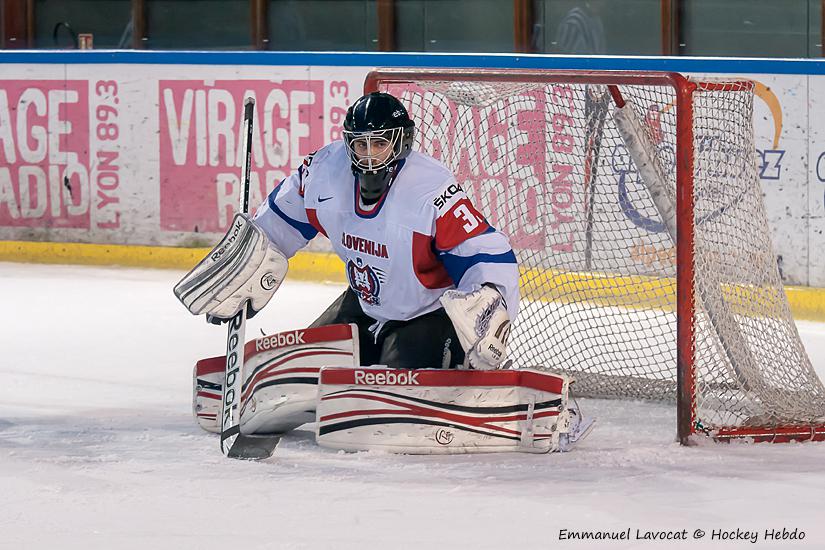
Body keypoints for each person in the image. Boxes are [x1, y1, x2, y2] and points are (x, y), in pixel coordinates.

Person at [178, 92, 520, 371]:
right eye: (361, 145)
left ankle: (436, 363)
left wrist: (490, 310)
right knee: (297, 370)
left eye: (379, 144)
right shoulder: (324, 172)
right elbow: (276, 226)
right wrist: (244, 269)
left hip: (424, 314)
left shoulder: (430, 189)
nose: (369, 155)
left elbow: (485, 253)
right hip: (363, 307)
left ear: (400, 143)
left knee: (392, 389)